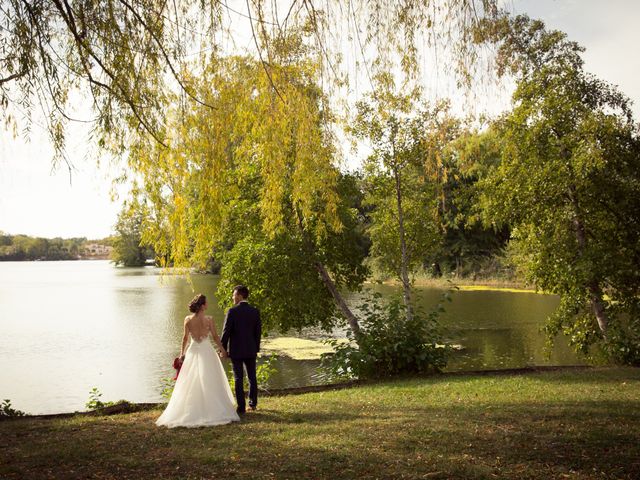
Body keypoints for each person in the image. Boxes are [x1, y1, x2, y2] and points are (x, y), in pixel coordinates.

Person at [156, 294, 240, 428]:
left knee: (190, 379)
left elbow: (185, 339)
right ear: (202, 306)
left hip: (193, 350)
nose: (207, 305)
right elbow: (215, 337)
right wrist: (223, 350)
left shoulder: (188, 320)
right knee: (210, 378)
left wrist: (181, 353)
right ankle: (213, 409)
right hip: (207, 351)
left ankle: (191, 409)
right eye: (206, 303)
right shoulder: (209, 319)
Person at [220, 285, 261, 414]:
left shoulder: (232, 312)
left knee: (238, 378)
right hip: (250, 350)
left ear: (240, 296)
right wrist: (256, 348)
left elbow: (226, 332)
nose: (233, 297)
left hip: (236, 351)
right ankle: (252, 404)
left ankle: (241, 407)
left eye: (234, 294)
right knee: (252, 377)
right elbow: (258, 332)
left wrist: (223, 349)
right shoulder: (255, 311)